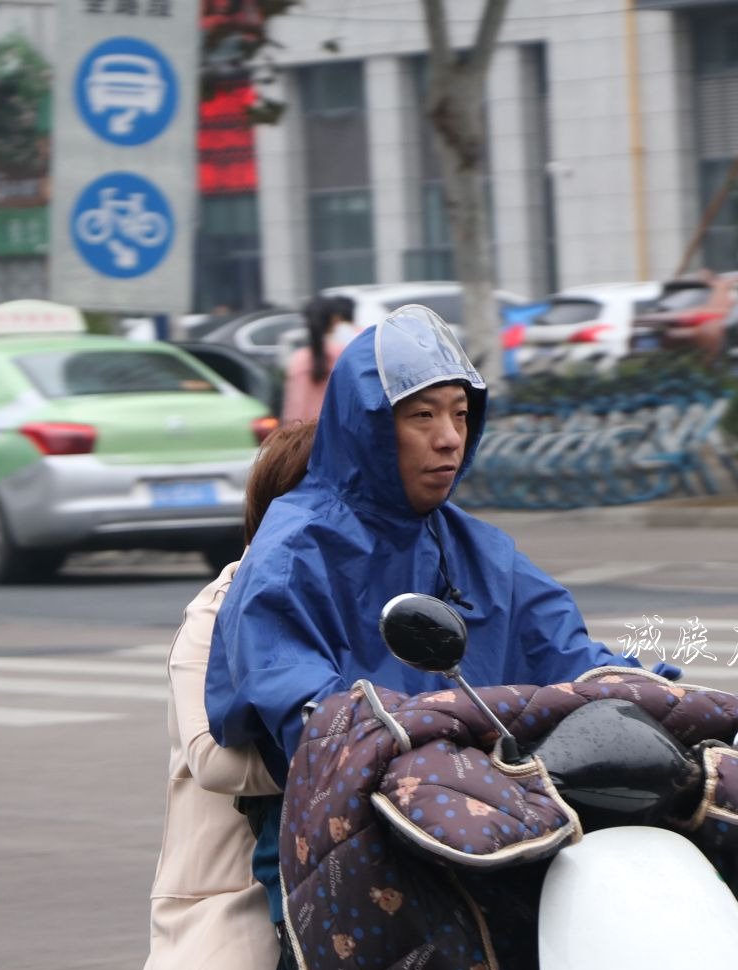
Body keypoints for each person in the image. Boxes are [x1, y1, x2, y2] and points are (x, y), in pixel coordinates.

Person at [206, 305, 660, 787]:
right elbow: (298, 699)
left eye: (461, 415)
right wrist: (392, 740)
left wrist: (649, 696)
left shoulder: (478, 547)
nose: (449, 439)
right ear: (369, 427)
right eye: (422, 416)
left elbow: (567, 653)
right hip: (354, 827)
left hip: (504, 805)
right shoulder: (295, 549)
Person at [117, 420, 319, 970]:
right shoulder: (221, 609)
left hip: (373, 880)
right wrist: (347, 750)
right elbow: (212, 755)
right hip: (232, 897)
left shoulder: (394, 602)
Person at [278, 294, 356, 427]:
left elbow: (294, 409)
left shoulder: (299, 359)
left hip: (302, 438)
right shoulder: (345, 354)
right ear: (335, 319)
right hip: (337, 435)